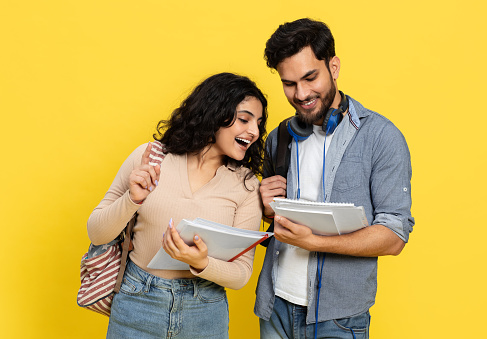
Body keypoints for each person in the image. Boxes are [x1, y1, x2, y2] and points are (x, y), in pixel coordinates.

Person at [254, 18, 415, 339]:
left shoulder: (382, 137)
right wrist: (264, 207)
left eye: (310, 77)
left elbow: (394, 236)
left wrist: (313, 242)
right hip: (274, 307)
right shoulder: (278, 137)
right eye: (289, 83)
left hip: (339, 317)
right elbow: (272, 218)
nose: (301, 93)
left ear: (334, 67)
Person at [87, 72, 267, 339]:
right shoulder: (149, 158)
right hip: (137, 302)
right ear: (214, 113)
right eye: (244, 119)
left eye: (258, 123)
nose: (253, 131)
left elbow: (242, 274)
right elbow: (97, 233)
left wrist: (202, 262)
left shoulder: (247, 185)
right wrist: (132, 199)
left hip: (204, 310)